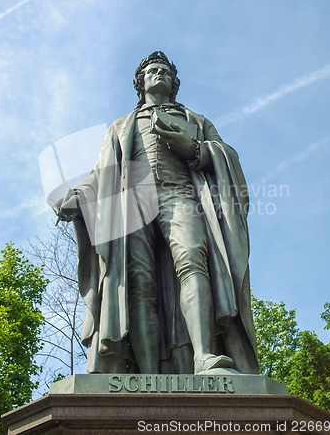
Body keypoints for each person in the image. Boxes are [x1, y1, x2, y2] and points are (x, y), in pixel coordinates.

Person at [56, 51, 258, 375]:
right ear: (141, 83)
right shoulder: (121, 127)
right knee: (137, 281)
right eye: (152, 70)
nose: (159, 73)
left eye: (164, 70)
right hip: (132, 202)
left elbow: (227, 156)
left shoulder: (197, 121)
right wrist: (78, 196)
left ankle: (204, 356)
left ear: (174, 83)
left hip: (180, 194)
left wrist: (193, 148)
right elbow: (101, 173)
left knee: (193, 258)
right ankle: (147, 371)